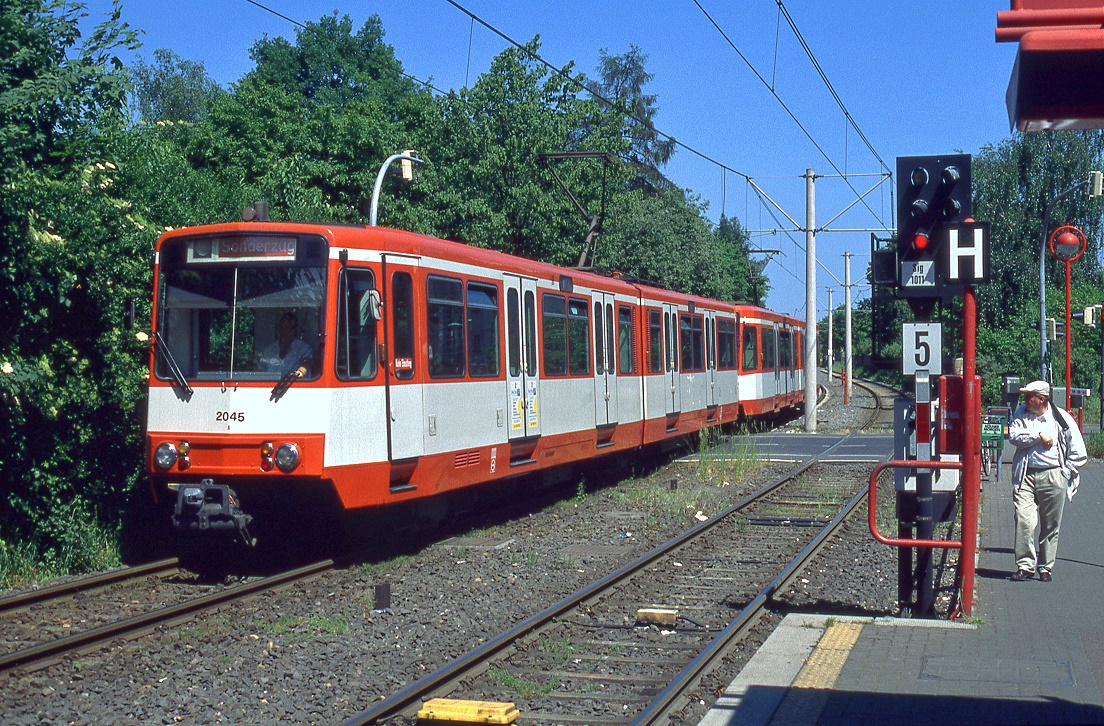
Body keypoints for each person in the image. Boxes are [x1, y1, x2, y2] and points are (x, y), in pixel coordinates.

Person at [1007, 380, 1087, 582]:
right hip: (1025, 474)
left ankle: (1045, 567)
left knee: (1050, 524)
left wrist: (1064, 472)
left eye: (1029, 397)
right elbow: (1014, 437)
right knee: (1024, 519)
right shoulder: (1021, 413)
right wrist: (1038, 436)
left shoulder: (1061, 418)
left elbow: (1079, 451)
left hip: (1053, 475)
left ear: (1041, 399)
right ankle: (1025, 565)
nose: (1025, 400)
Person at [259, 311, 312, 377]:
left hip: (294, 383)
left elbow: (306, 363)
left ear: (294, 330)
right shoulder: (269, 350)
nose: (284, 331)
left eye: (288, 328)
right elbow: (261, 371)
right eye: (282, 327)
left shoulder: (304, 349)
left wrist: (300, 371)